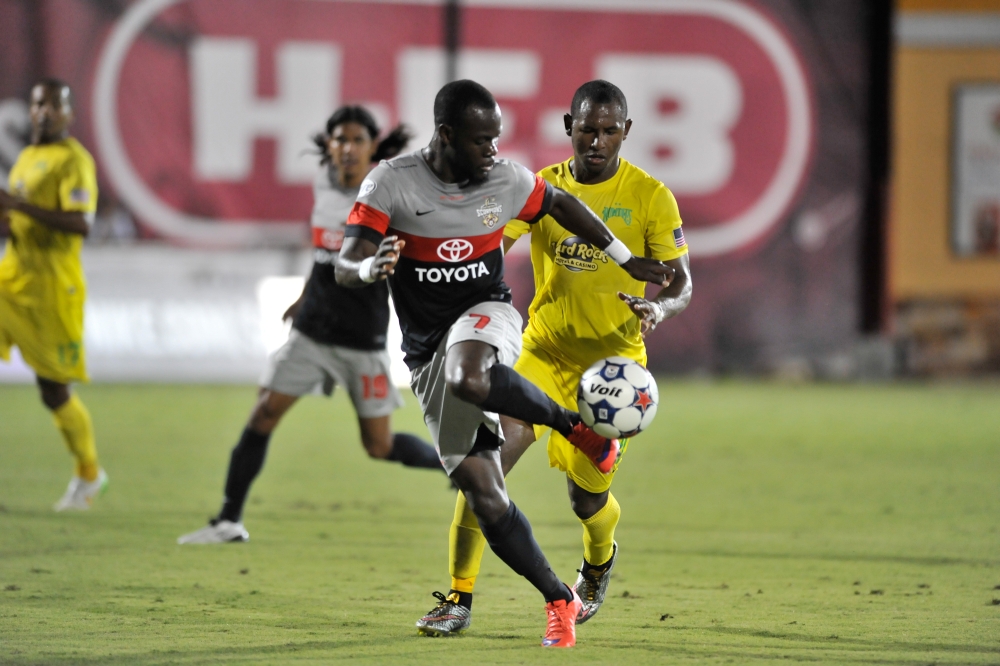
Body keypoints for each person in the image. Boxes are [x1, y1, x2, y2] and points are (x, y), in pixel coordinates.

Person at [335, 80, 674, 648]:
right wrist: (370, 270)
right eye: (482, 139)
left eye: (497, 137)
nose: (494, 150)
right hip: (426, 348)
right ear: (446, 136)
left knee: (474, 381)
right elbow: (347, 259)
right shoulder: (391, 183)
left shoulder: (510, 177)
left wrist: (628, 259)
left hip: (490, 317)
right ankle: (537, 598)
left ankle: (577, 438)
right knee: (484, 492)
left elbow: (562, 207)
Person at [178, 106, 443, 545]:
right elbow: (324, 254)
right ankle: (228, 520)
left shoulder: (389, 194)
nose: (347, 148)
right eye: (340, 139)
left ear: (373, 147)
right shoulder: (323, 182)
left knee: (378, 446)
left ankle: (453, 463)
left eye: (358, 140)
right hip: (314, 331)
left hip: (363, 339)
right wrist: (303, 297)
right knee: (263, 413)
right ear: (330, 145)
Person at [0, 79, 107, 511]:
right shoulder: (26, 157)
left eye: (54, 105)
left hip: (52, 292)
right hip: (10, 280)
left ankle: (88, 473)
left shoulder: (75, 162)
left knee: (53, 391)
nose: (45, 112)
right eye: (38, 103)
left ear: (70, 113)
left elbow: (81, 224)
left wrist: (19, 207)